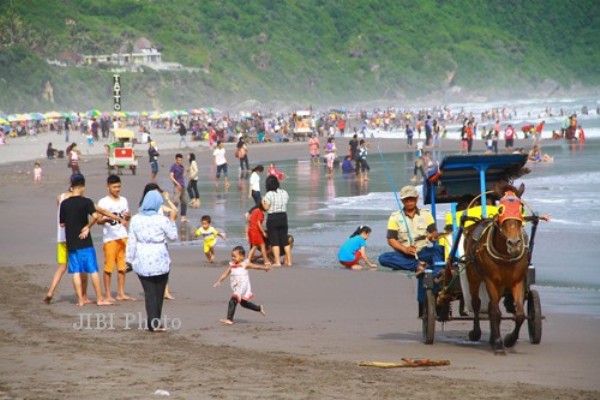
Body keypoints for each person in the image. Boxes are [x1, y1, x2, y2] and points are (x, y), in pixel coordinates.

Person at [59, 174, 117, 306]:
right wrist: (87, 227)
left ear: (71, 187)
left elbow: (62, 224)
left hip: (71, 241)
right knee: (93, 270)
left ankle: (80, 299)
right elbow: (96, 216)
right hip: (85, 242)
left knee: (75, 271)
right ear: (82, 187)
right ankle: (100, 299)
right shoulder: (86, 201)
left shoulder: (64, 203)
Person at [126, 189, 178, 332]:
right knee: (159, 293)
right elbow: (173, 236)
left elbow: (131, 241)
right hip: (160, 257)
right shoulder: (162, 220)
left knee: (149, 293)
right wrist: (173, 220)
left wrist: (128, 260)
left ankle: (153, 322)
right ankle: (156, 322)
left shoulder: (136, 219)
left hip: (142, 257)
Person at [378, 185, 444, 274]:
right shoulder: (394, 217)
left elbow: (434, 232)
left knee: (440, 249)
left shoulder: (426, 215)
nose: (409, 202)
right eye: (406, 200)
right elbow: (391, 240)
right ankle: (417, 265)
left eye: (411, 199)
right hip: (403, 254)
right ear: (402, 200)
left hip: (422, 252)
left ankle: (438, 273)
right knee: (383, 258)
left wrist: (432, 237)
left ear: (416, 198)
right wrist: (405, 249)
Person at [97, 174, 135, 302]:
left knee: (122, 266)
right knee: (108, 267)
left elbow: (126, 219)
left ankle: (121, 293)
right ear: (108, 187)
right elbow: (98, 220)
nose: (117, 189)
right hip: (110, 238)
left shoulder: (123, 200)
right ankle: (107, 294)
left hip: (123, 236)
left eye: (118, 186)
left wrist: (128, 217)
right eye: (114, 187)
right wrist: (106, 219)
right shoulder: (103, 202)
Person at [212, 245, 269, 325]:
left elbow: (255, 266)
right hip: (237, 286)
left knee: (232, 300)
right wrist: (219, 281)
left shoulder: (245, 264)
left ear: (242, 256)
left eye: (235, 256)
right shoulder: (232, 265)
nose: (233, 258)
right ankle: (259, 308)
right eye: (232, 256)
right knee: (243, 303)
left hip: (243, 285)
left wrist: (264, 268)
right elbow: (226, 273)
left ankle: (229, 319)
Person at [262, 175, 292, 266]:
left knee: (275, 241)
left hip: (273, 217)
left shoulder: (269, 194)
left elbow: (266, 208)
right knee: (284, 240)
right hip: (283, 216)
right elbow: (286, 202)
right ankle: (289, 261)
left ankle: (278, 262)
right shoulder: (284, 192)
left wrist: (263, 201)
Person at [169, 153, 188, 222]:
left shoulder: (182, 167)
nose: (179, 161)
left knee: (184, 202)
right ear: (176, 160)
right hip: (177, 186)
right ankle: (171, 215)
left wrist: (186, 171)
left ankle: (183, 217)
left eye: (181, 160)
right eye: (178, 160)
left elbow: (182, 176)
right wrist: (177, 184)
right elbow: (171, 176)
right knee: (175, 201)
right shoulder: (173, 167)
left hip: (182, 185)